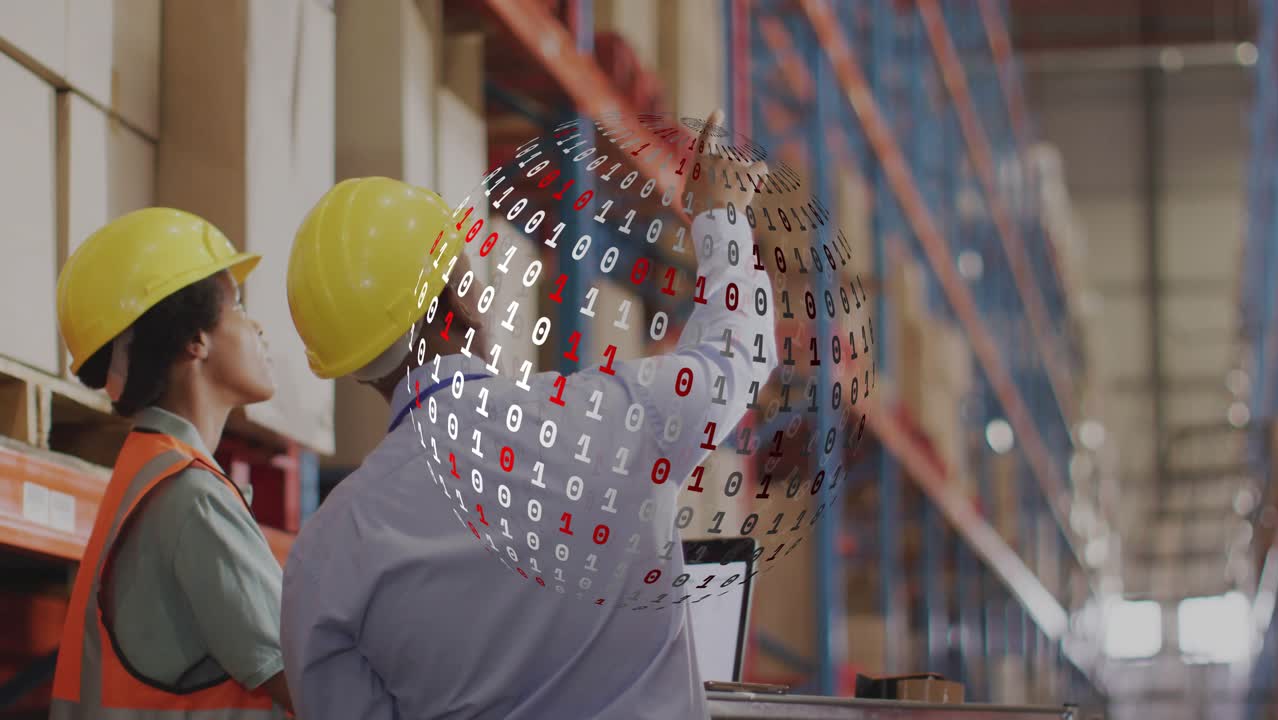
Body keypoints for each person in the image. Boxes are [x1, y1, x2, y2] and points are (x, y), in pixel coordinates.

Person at [280, 109, 775, 719]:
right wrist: (720, 214)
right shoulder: (614, 417)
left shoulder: (324, 558)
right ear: (460, 303)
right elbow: (737, 351)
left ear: (354, 365)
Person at [50, 208, 295, 719]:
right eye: (239, 306)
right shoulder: (191, 497)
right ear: (194, 340)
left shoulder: (152, 472)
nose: (258, 326)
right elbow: (310, 680)